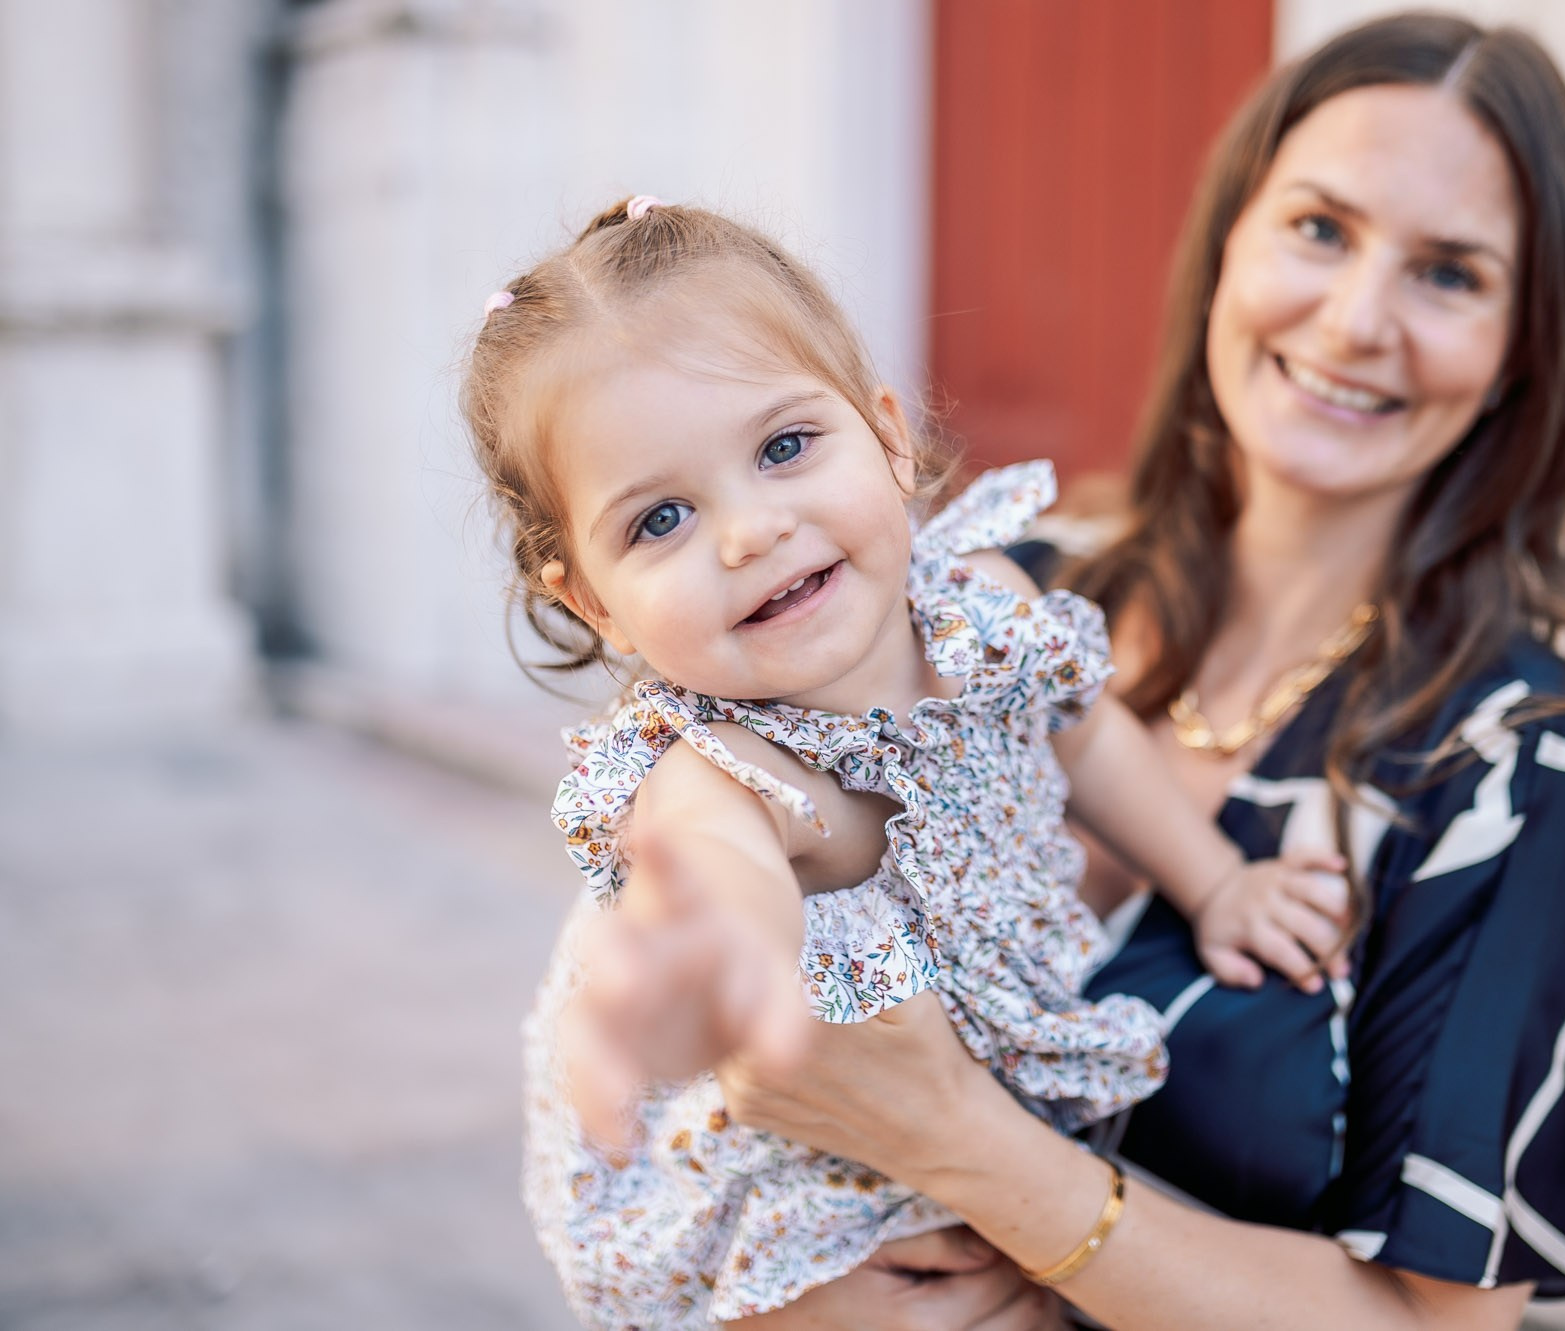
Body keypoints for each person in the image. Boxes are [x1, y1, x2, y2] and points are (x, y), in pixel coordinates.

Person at [589, 11, 1565, 1330]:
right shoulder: (1003, 593)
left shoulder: (1521, 764)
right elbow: (684, 940)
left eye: (1452, 273)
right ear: (1229, 237)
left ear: (1524, 344)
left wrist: (978, 1153)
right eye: (1319, 228)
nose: (1357, 320)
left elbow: (1436, 1321)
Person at [460, 197, 1351, 1328]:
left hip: (983, 1123)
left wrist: (1215, 880)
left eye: (784, 448)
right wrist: (717, 945)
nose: (749, 530)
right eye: (661, 519)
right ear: (594, 602)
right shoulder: (720, 758)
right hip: (815, 1190)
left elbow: (1091, 735)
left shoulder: (985, 607)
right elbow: (714, 859)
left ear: (886, 434)